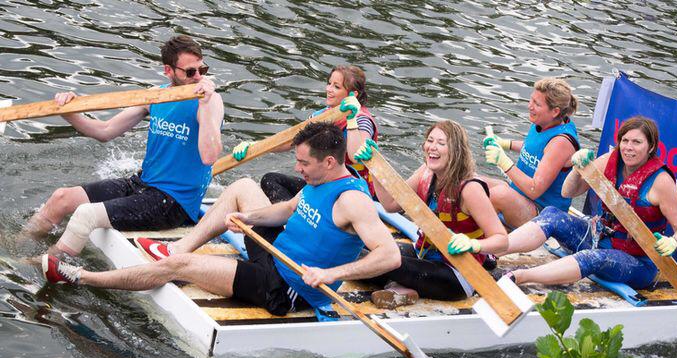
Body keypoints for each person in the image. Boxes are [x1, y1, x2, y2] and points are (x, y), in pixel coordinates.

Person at [42, 122, 401, 320]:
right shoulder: (316, 181)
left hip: (285, 286)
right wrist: (249, 217)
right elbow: (290, 209)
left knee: (177, 266)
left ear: (329, 162)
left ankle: (80, 278)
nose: (297, 169)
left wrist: (331, 275)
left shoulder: (353, 200)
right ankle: (180, 243)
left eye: (304, 164)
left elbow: (389, 255)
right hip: (273, 251)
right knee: (243, 186)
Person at [24, 35, 224, 259]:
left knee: (86, 215)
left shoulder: (211, 101)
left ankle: (38, 264)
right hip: (143, 185)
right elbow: (105, 131)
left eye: (202, 69)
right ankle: (17, 246)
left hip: (174, 203)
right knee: (61, 198)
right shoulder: (156, 96)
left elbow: (209, 156)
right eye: (190, 72)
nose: (198, 77)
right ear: (168, 71)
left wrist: (205, 105)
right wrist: (68, 113)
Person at [500, 116, 677, 290]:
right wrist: (578, 168)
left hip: (637, 262)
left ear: (650, 147)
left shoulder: (661, 182)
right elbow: (568, 192)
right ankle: (496, 249)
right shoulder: (610, 160)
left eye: (637, 142)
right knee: (552, 215)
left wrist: (673, 241)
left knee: (592, 258)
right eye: (625, 141)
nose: (628, 148)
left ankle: (521, 276)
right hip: (599, 239)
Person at [353, 120, 508, 308]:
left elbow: (501, 241)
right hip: (424, 254)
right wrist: (373, 167)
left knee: (376, 262)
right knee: (356, 249)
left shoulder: (470, 189)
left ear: (456, 151)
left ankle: (400, 286)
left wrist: (473, 244)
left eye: (441, 143)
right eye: (430, 140)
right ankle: (402, 288)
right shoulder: (425, 172)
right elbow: (390, 204)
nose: (432, 147)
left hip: (457, 274)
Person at [233, 65, 379, 201]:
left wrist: (351, 119)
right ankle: (288, 220)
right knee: (270, 180)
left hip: (350, 190)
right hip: (321, 182)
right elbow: (290, 141)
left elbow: (356, 156)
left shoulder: (362, 120)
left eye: (336, 87)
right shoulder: (320, 115)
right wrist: (255, 145)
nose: (329, 89)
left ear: (353, 94)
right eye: (329, 83)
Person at [482, 78, 580, 228]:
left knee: (498, 194)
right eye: (531, 100)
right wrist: (505, 143)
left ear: (555, 111)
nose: (530, 106)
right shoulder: (544, 122)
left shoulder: (561, 142)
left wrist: (503, 161)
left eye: (537, 104)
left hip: (542, 215)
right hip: (520, 195)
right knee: (474, 182)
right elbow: (535, 149)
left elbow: (534, 190)